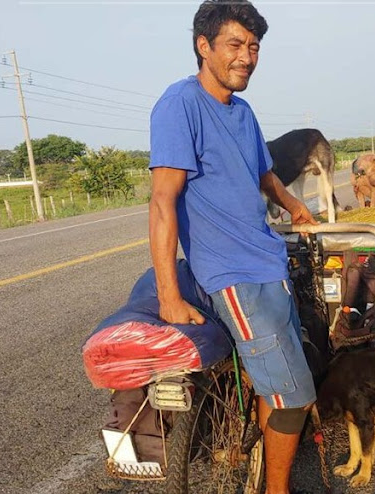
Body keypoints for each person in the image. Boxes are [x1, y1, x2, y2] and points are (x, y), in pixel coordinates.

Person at [148, 2, 317, 493]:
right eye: (235, 45)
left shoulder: (242, 112)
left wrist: (291, 204)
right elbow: (163, 201)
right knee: (294, 396)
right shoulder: (179, 104)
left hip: (268, 261)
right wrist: (168, 296)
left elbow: (262, 171)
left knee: (279, 384)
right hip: (234, 276)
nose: (247, 57)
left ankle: (266, 470)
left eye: (254, 47)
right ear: (204, 46)